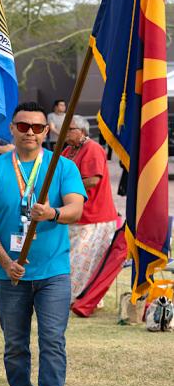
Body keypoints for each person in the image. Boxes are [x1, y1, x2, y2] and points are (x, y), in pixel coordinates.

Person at [0, 102, 86, 386]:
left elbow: (76, 208)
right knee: (15, 346)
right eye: (23, 126)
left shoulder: (60, 167)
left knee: (52, 342)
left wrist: (52, 213)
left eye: (37, 127)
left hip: (53, 273)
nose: (30, 133)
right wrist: (6, 262)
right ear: (12, 129)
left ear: (47, 131)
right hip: (11, 276)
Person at [61, 115, 118, 302]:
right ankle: (84, 298)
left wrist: (65, 187)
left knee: (79, 262)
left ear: (82, 131)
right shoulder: (68, 150)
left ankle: (75, 298)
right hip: (74, 215)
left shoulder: (93, 149)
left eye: (69, 129)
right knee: (70, 259)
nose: (65, 133)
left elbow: (93, 180)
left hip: (95, 217)